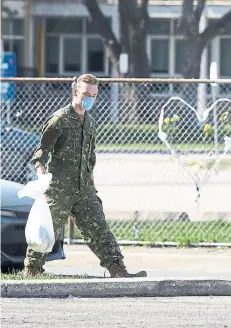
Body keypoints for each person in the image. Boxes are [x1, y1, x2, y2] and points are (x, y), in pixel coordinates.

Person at [23, 74, 147, 278]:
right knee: (46, 230)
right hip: (59, 190)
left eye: (94, 95)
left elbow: (90, 155)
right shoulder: (59, 119)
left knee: (99, 229)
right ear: (75, 92)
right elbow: (41, 151)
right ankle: (32, 270)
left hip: (84, 190)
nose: (90, 98)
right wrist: (41, 176)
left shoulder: (90, 122)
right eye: (86, 94)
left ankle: (118, 269)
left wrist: (89, 182)